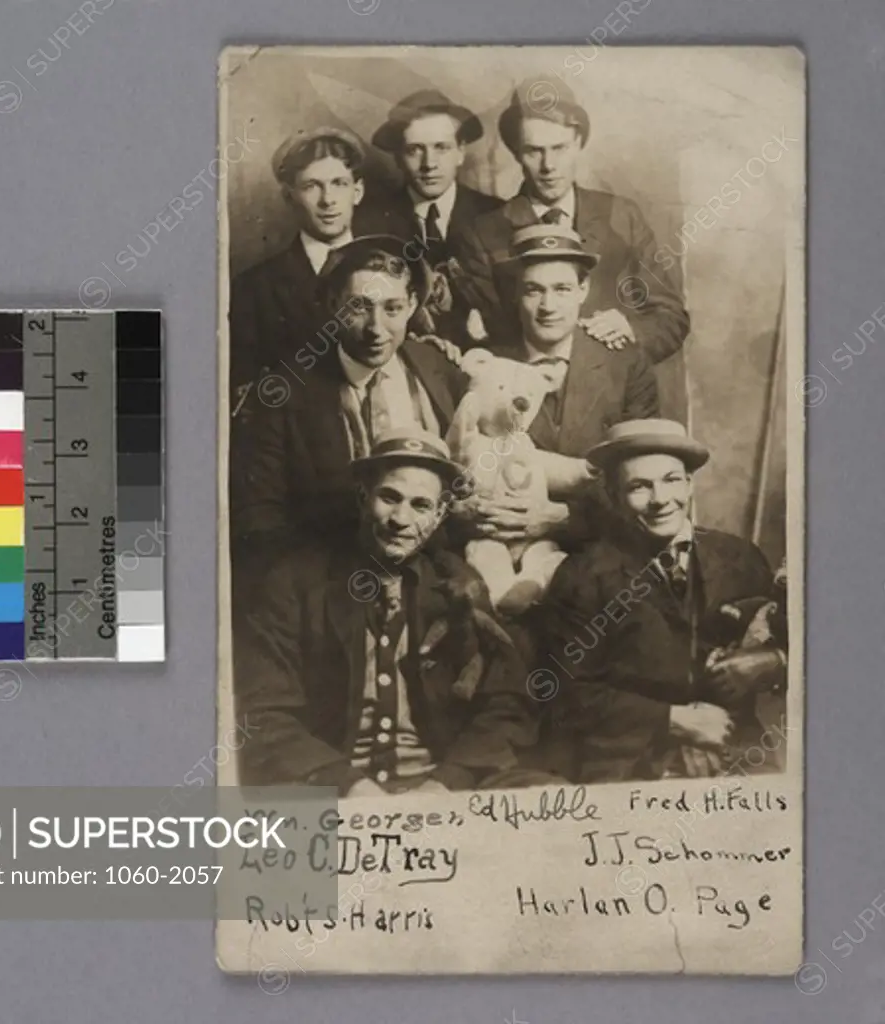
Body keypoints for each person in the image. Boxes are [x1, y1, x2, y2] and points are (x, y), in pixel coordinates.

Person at [234, 429, 540, 796]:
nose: (400, 518)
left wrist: (446, 783)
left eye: (421, 506)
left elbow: (505, 704)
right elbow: (263, 713)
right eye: (389, 497)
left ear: (441, 514)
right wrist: (346, 784)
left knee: (547, 796)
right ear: (363, 498)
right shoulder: (296, 583)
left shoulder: (459, 584)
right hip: (328, 787)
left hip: (435, 787)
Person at [534, 419, 787, 783]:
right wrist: (672, 721)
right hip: (628, 762)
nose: (660, 500)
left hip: (736, 751)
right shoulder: (582, 576)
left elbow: (804, 645)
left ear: (689, 483)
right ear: (613, 495)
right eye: (639, 486)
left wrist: (776, 662)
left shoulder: (740, 557)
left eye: (671, 480)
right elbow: (560, 693)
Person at [234, 234, 466, 570]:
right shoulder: (283, 394)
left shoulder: (437, 367)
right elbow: (259, 517)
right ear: (332, 304)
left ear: (412, 305)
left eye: (392, 308)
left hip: (431, 572)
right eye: (358, 307)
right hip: (329, 577)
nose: (376, 329)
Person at [454, 78, 690, 367]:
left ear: (579, 143)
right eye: (534, 150)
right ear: (516, 151)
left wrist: (631, 329)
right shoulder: (483, 232)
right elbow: (483, 338)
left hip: (613, 394)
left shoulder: (622, 215)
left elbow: (671, 317)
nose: (548, 166)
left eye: (559, 148)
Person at [465, 223, 660, 553]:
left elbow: (642, 477)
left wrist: (565, 518)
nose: (548, 306)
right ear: (515, 292)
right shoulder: (485, 366)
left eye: (562, 289)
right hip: (501, 542)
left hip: (602, 545)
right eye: (533, 290)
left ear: (583, 289)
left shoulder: (626, 365)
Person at [228, 126, 369, 420]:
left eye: (339, 183)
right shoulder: (254, 288)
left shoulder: (394, 270)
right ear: (289, 196)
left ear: (358, 192)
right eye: (311, 186)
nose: (327, 200)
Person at [367, 89, 504, 346]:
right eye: (415, 150)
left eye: (441, 148)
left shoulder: (498, 215)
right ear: (397, 157)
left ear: (461, 152)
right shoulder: (369, 224)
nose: (429, 163)